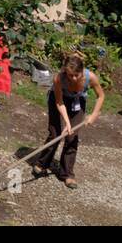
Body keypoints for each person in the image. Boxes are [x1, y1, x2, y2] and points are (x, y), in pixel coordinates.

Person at [34, 52, 103, 189]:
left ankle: (67, 174)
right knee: (56, 133)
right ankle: (42, 163)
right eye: (69, 75)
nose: (73, 78)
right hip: (59, 100)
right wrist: (67, 122)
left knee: (72, 137)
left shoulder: (91, 77)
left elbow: (100, 96)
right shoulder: (59, 78)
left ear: (82, 71)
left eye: (76, 75)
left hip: (77, 101)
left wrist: (94, 114)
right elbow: (59, 103)